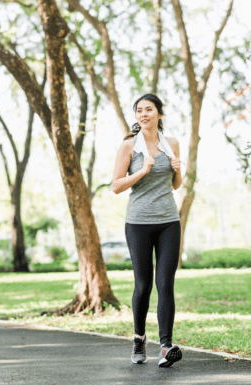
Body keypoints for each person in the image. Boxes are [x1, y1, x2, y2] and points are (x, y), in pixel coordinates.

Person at [112, 94, 183, 368]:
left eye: (149, 110)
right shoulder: (129, 146)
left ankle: (166, 347)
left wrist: (178, 170)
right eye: (139, 110)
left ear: (159, 114)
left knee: (165, 284)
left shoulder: (172, 144)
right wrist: (142, 171)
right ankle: (139, 338)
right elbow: (116, 186)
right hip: (138, 223)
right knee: (143, 285)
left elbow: (175, 185)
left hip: (168, 222)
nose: (144, 114)